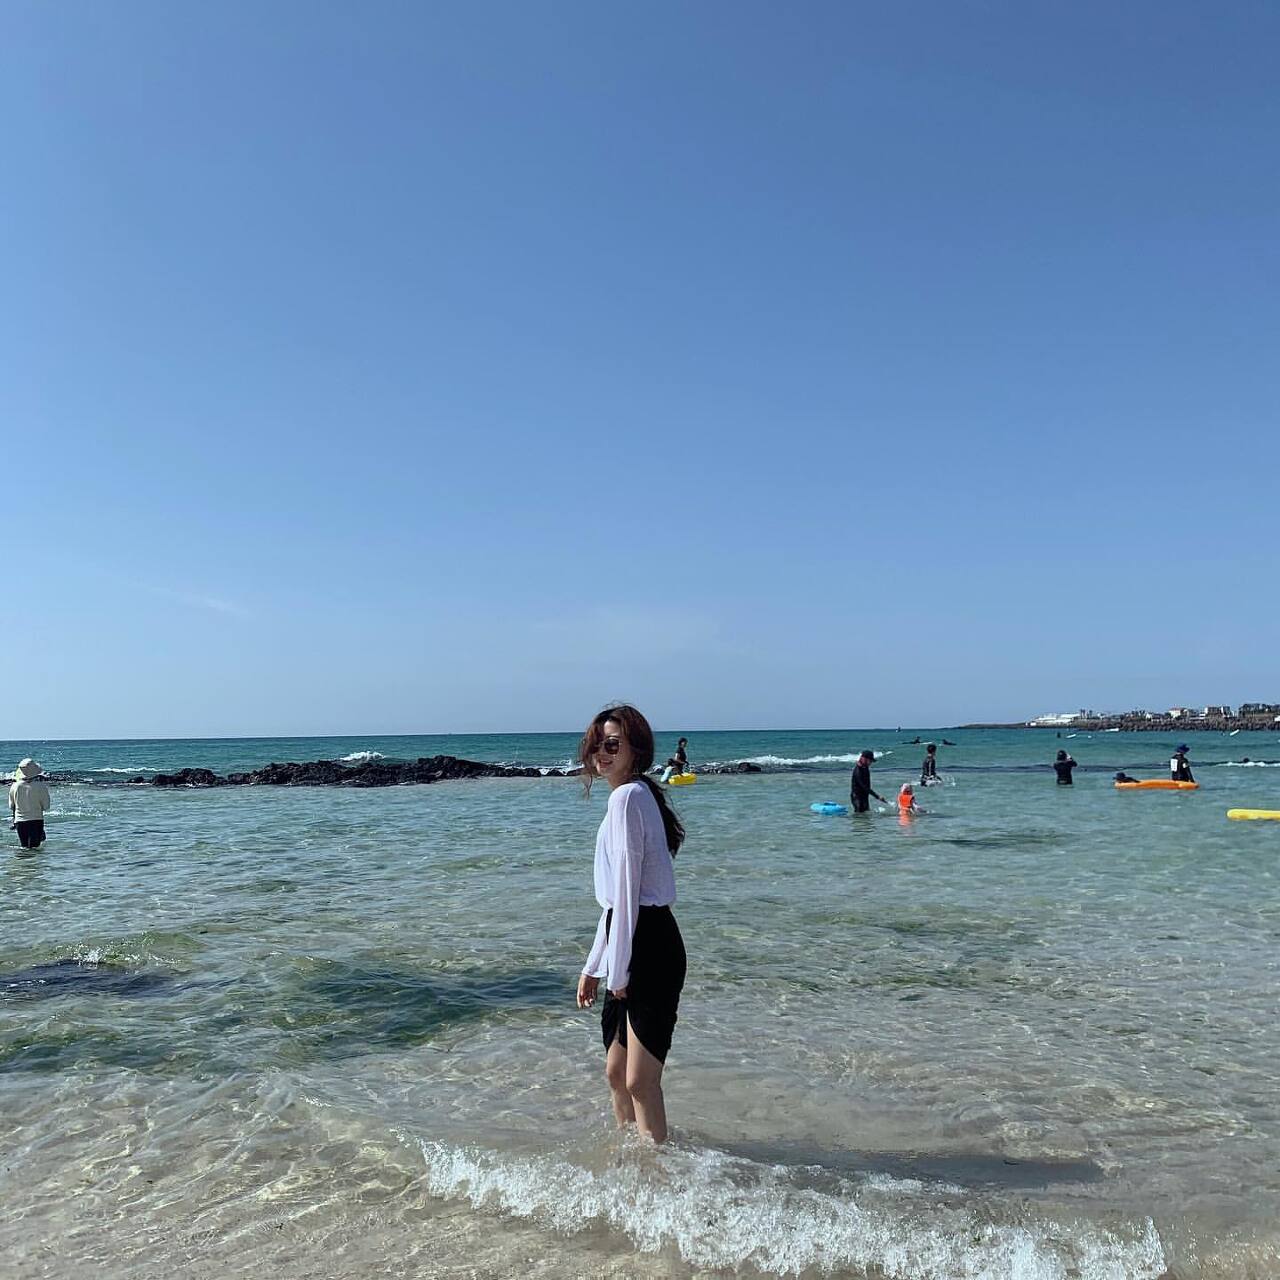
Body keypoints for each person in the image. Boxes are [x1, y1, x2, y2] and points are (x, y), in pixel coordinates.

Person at [576, 706, 687, 1144]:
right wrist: (594, 965)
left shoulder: (627, 798)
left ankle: (659, 1168)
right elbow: (615, 903)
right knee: (615, 1072)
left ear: (635, 749)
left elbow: (627, 895)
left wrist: (617, 972)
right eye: (595, 745)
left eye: (612, 744)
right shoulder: (633, 796)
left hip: (649, 944)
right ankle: (630, 1159)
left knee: (640, 1080)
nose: (600, 753)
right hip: (630, 936)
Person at [9, 759, 51, 849]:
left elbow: (11, 805)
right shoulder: (41, 786)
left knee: (25, 848)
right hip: (36, 820)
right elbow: (46, 806)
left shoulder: (15, 786)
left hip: (19, 821)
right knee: (35, 849)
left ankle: (22, 858)